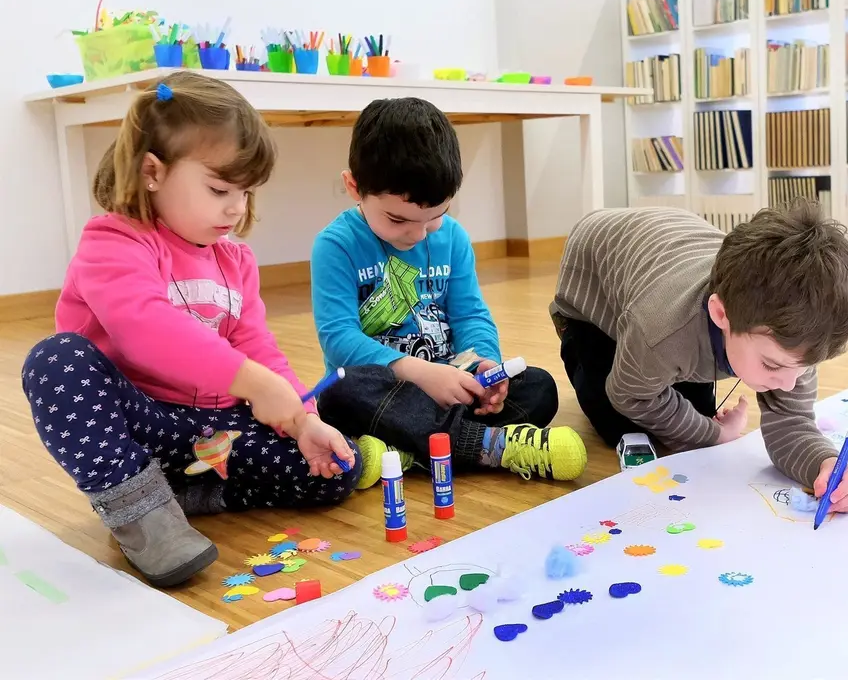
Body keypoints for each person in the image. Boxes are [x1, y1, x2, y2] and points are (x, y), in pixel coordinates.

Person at [20, 72, 360, 588]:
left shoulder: (236, 259)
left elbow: (256, 345)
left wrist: (300, 419)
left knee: (331, 469)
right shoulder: (112, 242)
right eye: (219, 189)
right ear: (152, 172)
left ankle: (188, 495)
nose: (236, 207)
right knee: (55, 361)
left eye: (245, 192)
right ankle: (141, 512)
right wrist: (255, 382)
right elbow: (146, 330)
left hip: (212, 431)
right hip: (143, 424)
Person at [310, 97, 587, 488]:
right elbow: (340, 340)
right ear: (354, 187)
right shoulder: (336, 245)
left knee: (539, 387)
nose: (418, 233)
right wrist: (420, 373)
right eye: (398, 220)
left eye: (436, 217)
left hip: (449, 389)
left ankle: (405, 452)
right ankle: (487, 446)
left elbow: (470, 315)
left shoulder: (453, 238)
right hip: (387, 390)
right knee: (340, 392)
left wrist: (484, 364)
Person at [550, 202, 848, 513]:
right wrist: (713, 434)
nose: (789, 383)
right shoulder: (662, 329)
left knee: (694, 411)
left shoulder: (797, 340)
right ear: (720, 314)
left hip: (668, 256)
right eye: (772, 365)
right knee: (618, 423)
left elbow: (791, 423)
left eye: (803, 368)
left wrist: (825, 464)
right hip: (591, 275)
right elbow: (627, 393)